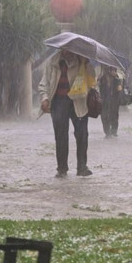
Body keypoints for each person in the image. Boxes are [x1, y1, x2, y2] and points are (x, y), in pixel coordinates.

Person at [39, 49, 96, 177]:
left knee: (82, 135)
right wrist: (45, 98)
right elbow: (44, 84)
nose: (68, 53)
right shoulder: (52, 63)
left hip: (79, 101)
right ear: (61, 49)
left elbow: (92, 79)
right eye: (65, 49)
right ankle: (62, 169)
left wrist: (85, 64)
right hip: (59, 102)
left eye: (71, 49)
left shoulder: (82, 61)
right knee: (61, 137)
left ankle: (82, 167)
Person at [98, 65, 123, 138]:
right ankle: (107, 132)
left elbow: (120, 90)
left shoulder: (117, 79)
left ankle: (114, 131)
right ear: (108, 70)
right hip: (104, 101)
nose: (114, 72)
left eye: (115, 70)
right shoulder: (102, 79)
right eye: (112, 70)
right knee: (104, 116)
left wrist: (118, 80)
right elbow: (100, 90)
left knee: (114, 115)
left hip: (114, 101)